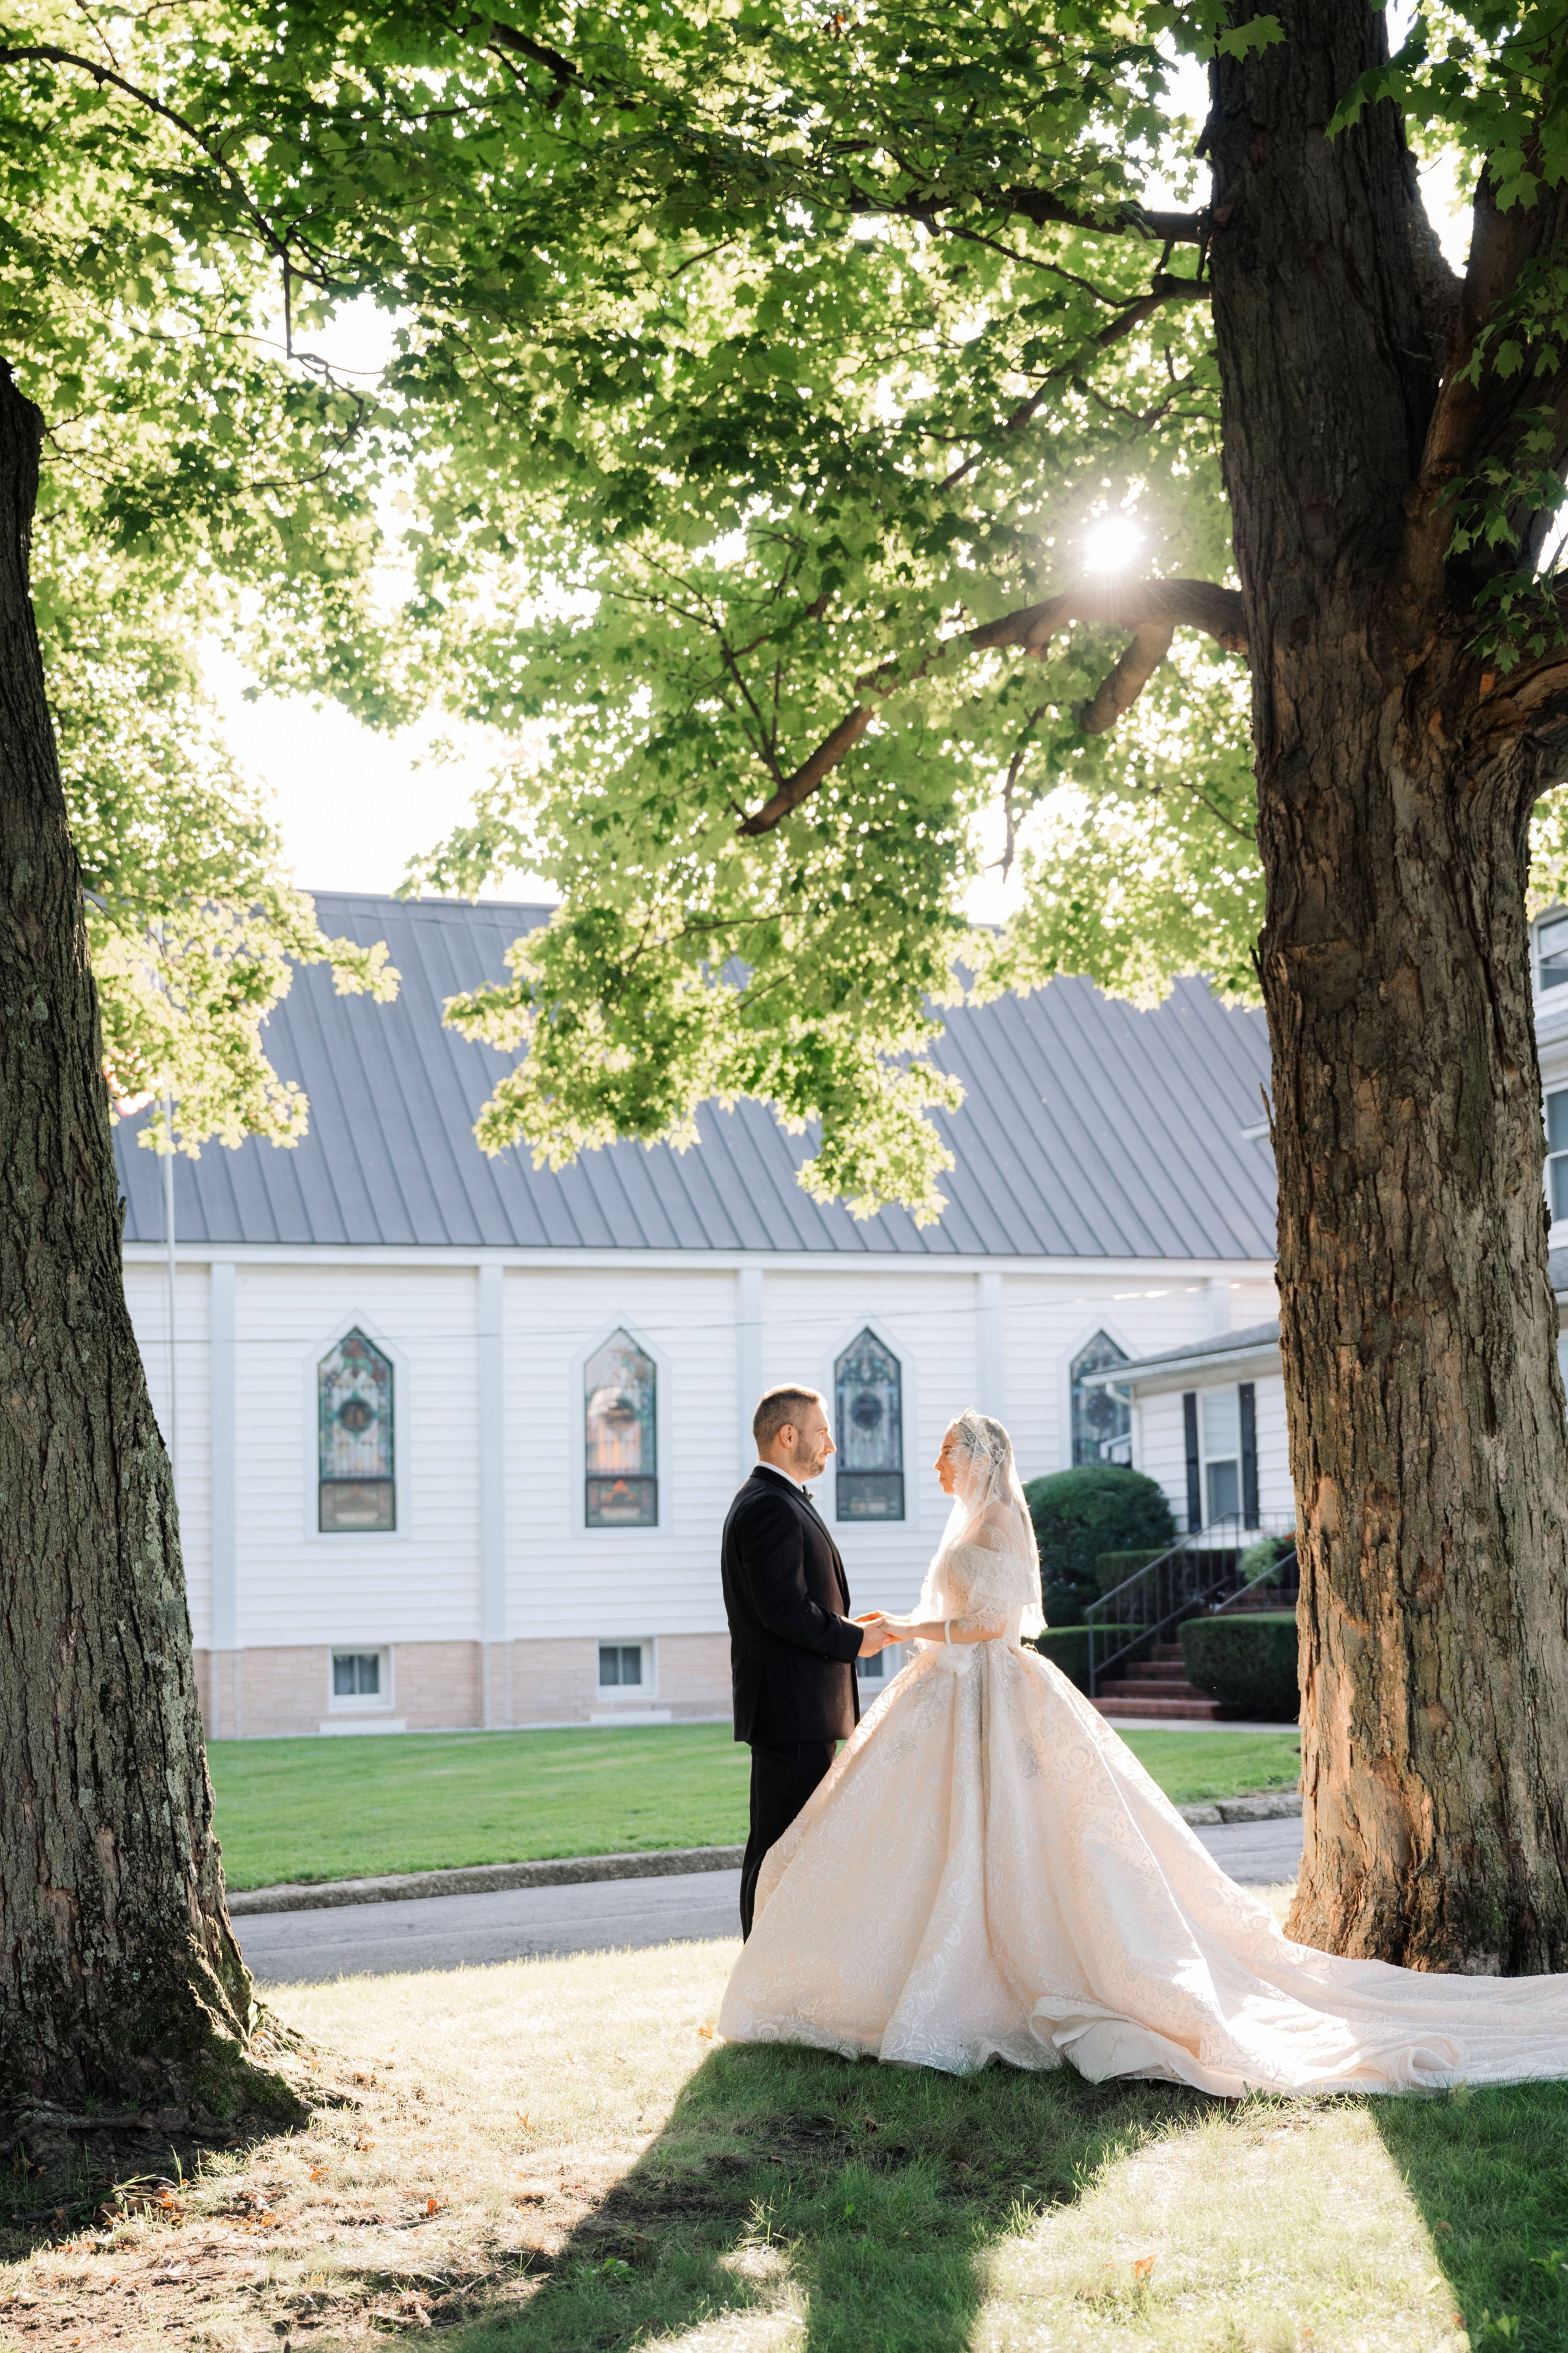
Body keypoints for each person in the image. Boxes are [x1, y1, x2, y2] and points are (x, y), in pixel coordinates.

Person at [719, 1407, 1568, 2094]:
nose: (936, 1468)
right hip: (945, 1691)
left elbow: (992, 1623)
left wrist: (908, 1628)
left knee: (1011, 1829)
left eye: (945, 1454)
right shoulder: (959, 1516)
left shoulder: (1000, 1521)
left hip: (989, 1686)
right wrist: (894, 1630)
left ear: (978, 1457)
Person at [722, 1384, 895, 1938]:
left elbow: (799, 1603)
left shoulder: (778, 1498)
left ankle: (778, 1971)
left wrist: (851, 1627)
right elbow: (783, 1610)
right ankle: (763, 1974)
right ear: (787, 1435)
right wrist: (852, 1641)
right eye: (822, 1433)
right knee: (780, 1847)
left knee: (788, 1845)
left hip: (798, 1707)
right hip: (791, 1708)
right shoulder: (768, 1504)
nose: (833, 1446)